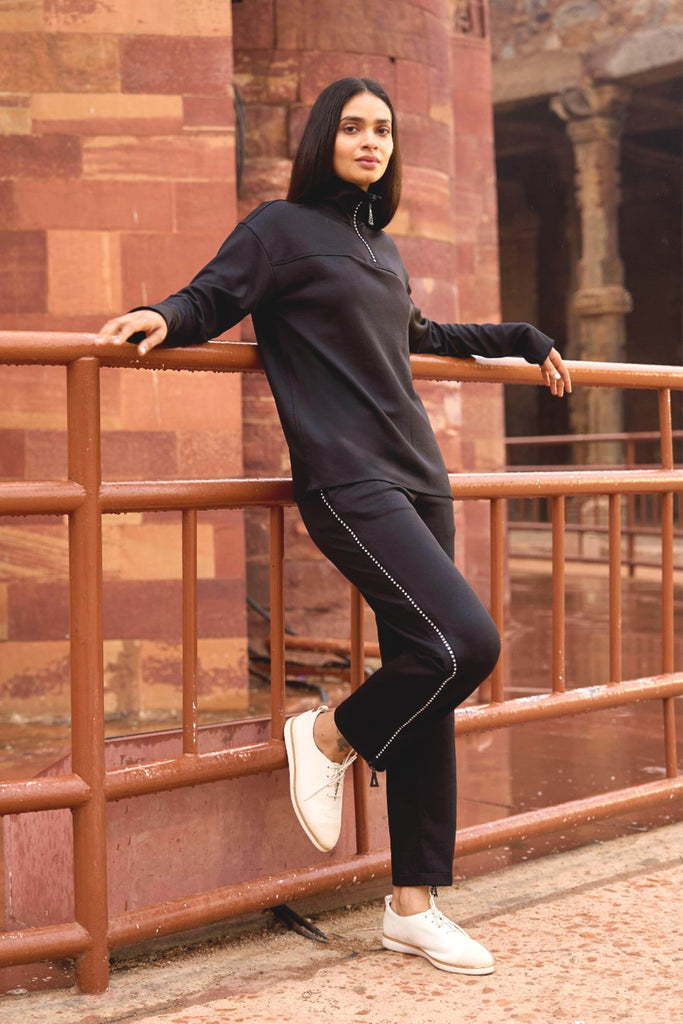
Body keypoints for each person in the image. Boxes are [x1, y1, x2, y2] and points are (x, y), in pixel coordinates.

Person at [98, 77, 571, 976]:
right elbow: (213, 295)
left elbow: (417, 333)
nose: (369, 142)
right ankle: (327, 736)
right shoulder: (277, 229)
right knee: (464, 644)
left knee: (427, 680)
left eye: (382, 130)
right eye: (353, 127)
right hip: (348, 479)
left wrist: (519, 336)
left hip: (420, 480)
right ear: (324, 139)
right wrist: (163, 314)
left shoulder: (379, 248)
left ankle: (413, 905)